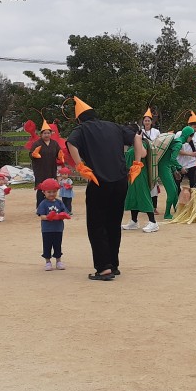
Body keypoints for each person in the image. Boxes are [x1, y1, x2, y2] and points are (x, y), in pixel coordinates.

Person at [65, 96, 144, 281]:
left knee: (96, 225)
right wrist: (137, 163)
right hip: (120, 181)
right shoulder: (114, 126)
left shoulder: (81, 129)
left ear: (79, 119)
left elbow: (70, 143)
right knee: (113, 224)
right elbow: (137, 137)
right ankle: (113, 265)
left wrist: (80, 165)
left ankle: (103, 268)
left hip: (99, 182)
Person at [123, 111, 159, 233]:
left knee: (144, 196)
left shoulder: (141, 142)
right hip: (131, 175)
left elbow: (143, 154)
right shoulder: (132, 145)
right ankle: (134, 221)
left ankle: (153, 222)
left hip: (140, 175)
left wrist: (137, 139)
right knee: (133, 197)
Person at [36, 178, 70, 271]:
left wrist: (62, 215)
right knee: (47, 245)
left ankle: (58, 261)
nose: (52, 194)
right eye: (49, 192)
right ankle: (48, 262)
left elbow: (65, 212)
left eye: (54, 191)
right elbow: (41, 216)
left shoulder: (59, 202)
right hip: (47, 229)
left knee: (57, 245)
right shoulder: (43, 203)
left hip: (58, 228)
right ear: (44, 192)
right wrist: (49, 217)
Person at [29, 119, 62, 209]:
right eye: (45, 133)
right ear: (41, 134)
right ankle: (40, 207)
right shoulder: (37, 143)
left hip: (51, 168)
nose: (47, 135)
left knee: (51, 187)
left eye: (48, 133)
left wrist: (61, 156)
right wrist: (34, 154)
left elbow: (59, 154)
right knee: (41, 188)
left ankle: (50, 206)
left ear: (51, 134)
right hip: (40, 169)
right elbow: (31, 154)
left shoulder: (54, 143)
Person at [138, 109, 162, 214]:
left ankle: (154, 207)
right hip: (144, 159)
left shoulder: (156, 132)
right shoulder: (140, 132)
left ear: (151, 122)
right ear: (143, 122)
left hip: (153, 159)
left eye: (148, 120)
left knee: (154, 182)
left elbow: (160, 143)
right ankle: (145, 205)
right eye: (145, 120)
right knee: (144, 182)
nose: (147, 122)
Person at [176, 112, 196, 188]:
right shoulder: (179, 134)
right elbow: (176, 150)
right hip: (180, 163)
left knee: (194, 185)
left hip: (192, 163)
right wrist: (190, 154)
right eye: (194, 126)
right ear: (189, 126)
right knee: (176, 184)